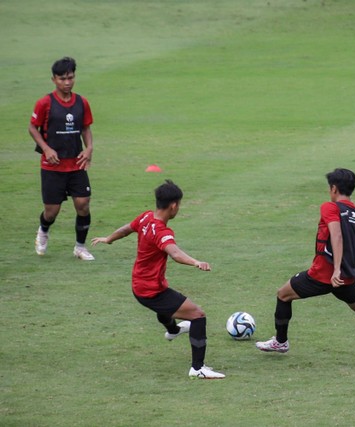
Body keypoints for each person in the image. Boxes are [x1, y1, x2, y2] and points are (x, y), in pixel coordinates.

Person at [255, 168, 355, 363]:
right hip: (347, 277)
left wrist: (336, 268)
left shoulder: (330, 207)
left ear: (334, 188)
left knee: (283, 294)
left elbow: (336, 234)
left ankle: (281, 342)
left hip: (322, 275)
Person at [91, 180, 225, 379]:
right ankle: (198, 369)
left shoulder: (146, 217)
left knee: (169, 305)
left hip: (140, 286)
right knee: (198, 315)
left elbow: (127, 228)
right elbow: (175, 254)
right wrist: (196, 262)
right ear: (173, 205)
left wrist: (109, 238)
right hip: (151, 291)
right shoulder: (162, 232)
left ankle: (173, 330)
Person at [29, 57, 96, 260]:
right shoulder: (44, 103)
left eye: (70, 78)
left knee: (83, 204)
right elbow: (32, 127)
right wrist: (46, 149)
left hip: (76, 164)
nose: (67, 82)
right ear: (54, 79)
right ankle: (43, 230)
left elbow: (85, 127)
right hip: (52, 167)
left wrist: (89, 148)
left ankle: (80, 247)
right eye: (62, 79)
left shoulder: (82, 102)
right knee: (52, 212)